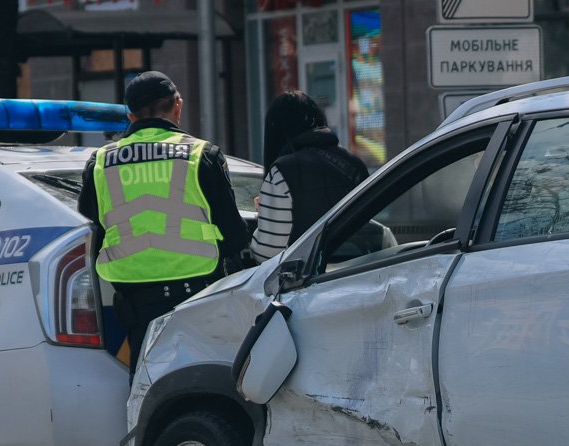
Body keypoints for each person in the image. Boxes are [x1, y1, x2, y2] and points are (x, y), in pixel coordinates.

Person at [79, 71, 250, 372]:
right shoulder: (202, 155)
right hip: (199, 296)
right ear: (177, 105)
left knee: (147, 390)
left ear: (131, 116)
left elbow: (91, 225)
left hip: (136, 304)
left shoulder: (100, 162)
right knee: (206, 383)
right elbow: (235, 236)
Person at [250, 90, 370, 263]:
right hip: (360, 272)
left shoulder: (283, 172)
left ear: (275, 132)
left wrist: (264, 214)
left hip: (309, 282)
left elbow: (266, 253)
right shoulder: (354, 164)